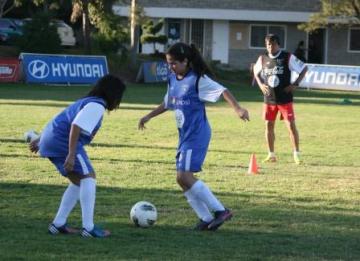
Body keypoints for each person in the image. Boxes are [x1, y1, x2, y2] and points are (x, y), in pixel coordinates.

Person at [138, 42, 249, 231]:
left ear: (185, 61)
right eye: (168, 63)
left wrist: (237, 108)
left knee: (184, 175)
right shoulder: (173, 79)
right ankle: (205, 218)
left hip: (197, 134)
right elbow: (167, 103)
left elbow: (223, 91)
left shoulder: (198, 79)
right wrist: (148, 116)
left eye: (173, 63)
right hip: (185, 135)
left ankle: (220, 210)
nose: (170, 67)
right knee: (180, 179)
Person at [29, 75, 126, 238]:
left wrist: (41, 139)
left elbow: (62, 119)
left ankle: (58, 224)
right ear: (114, 94)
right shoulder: (96, 105)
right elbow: (75, 126)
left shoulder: (88, 101)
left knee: (79, 181)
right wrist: (72, 154)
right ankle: (88, 228)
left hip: (51, 139)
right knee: (89, 177)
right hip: (62, 142)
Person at [253, 34, 308, 164]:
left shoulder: (287, 57)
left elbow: (304, 68)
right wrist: (261, 85)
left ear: (278, 44)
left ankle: (296, 154)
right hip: (269, 99)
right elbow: (255, 72)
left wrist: (295, 84)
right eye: (267, 44)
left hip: (285, 99)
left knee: (290, 125)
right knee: (268, 125)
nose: (269, 47)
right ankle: (271, 154)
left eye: (272, 44)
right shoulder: (262, 58)